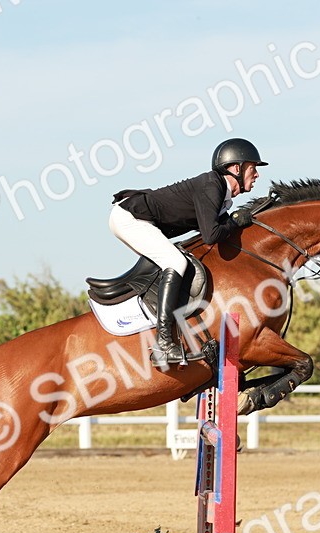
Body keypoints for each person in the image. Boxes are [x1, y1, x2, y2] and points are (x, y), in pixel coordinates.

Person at [109, 138, 266, 368]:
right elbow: (212, 235)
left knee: (174, 261)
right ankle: (163, 344)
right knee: (175, 262)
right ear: (236, 168)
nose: (257, 174)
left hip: (136, 218)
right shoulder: (212, 186)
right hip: (129, 217)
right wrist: (234, 222)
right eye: (253, 168)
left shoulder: (220, 195)